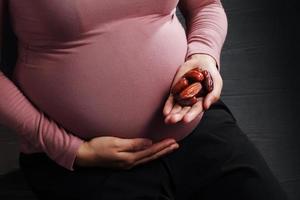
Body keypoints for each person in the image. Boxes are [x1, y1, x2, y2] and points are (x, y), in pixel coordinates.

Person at [0, 0, 288, 199]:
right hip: (79, 158)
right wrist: (71, 150)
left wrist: (204, 55)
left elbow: (205, 6)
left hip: (192, 125)